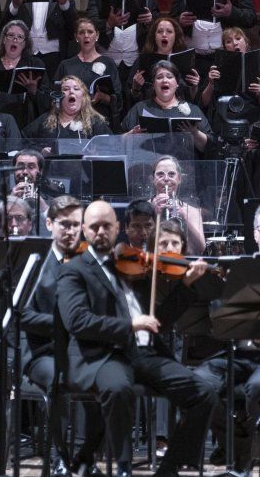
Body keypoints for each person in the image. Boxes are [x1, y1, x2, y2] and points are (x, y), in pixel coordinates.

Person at [56, 200, 217, 477]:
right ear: (84, 230)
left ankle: (169, 467)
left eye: (107, 225)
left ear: (117, 228)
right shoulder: (75, 270)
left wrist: (187, 286)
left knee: (204, 394)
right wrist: (129, 324)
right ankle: (123, 468)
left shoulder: (137, 267)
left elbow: (159, 323)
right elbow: (77, 321)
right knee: (118, 390)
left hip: (146, 354)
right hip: (106, 355)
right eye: (94, 227)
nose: (101, 231)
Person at [17, 195, 94, 473]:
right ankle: (59, 456)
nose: (71, 230)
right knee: (59, 379)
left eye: (76, 225)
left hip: (80, 350)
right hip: (41, 351)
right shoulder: (34, 261)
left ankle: (87, 456)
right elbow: (21, 314)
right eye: (64, 224)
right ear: (49, 223)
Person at [83, 0, 158, 83]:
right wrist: (108, 24)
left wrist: (150, 22)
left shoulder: (148, 1)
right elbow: (90, 25)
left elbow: (159, 30)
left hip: (137, 62)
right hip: (106, 61)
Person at [0, 19, 51, 131]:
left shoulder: (35, 65)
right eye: (11, 35)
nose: (15, 39)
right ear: (4, 39)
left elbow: (48, 101)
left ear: (24, 44)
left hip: (25, 122)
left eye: (20, 37)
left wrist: (34, 91)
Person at [122, 61, 213, 154]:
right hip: (147, 165)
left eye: (169, 77)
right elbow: (118, 141)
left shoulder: (193, 110)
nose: (164, 80)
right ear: (153, 84)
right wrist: (131, 137)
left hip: (184, 166)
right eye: (159, 77)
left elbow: (210, 148)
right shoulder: (140, 108)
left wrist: (194, 133)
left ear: (177, 83)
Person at [54, 17, 120, 125]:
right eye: (81, 32)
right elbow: (55, 96)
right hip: (71, 120)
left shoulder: (108, 63)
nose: (86, 36)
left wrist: (103, 97)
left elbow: (119, 100)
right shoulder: (65, 65)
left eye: (90, 32)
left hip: (99, 120)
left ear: (97, 35)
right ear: (76, 37)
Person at [144, 155, 208, 256]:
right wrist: (151, 213)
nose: (166, 179)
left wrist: (184, 215)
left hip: (183, 263)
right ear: (153, 179)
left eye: (171, 174)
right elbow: (136, 243)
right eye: (160, 174)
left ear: (179, 179)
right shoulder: (143, 208)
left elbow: (201, 248)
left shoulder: (191, 211)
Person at [22, 75, 111, 141]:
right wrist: (41, 151)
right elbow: (23, 140)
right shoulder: (46, 120)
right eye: (66, 89)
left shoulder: (95, 123)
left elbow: (111, 148)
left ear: (83, 97)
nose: (71, 91)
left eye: (76, 89)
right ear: (59, 96)